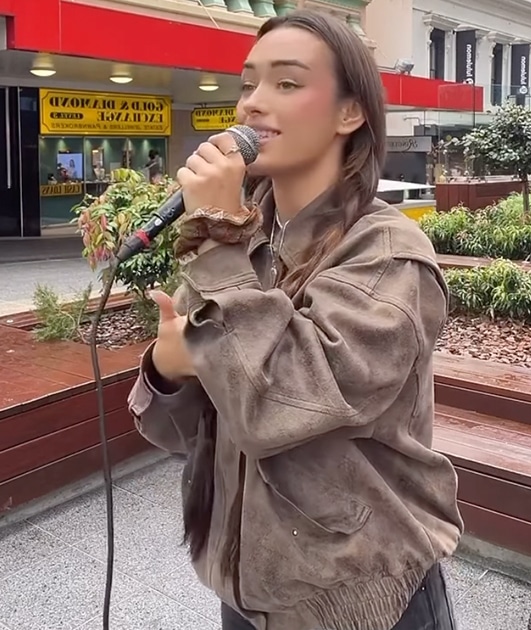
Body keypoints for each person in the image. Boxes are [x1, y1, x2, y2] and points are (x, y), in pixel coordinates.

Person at [126, 11, 460, 630]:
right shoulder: (244, 239)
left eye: (286, 83)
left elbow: (276, 408)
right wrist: (169, 372)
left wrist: (217, 244)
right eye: (248, 83)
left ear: (349, 113)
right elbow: (196, 433)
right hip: (250, 585)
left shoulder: (387, 256)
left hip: (358, 595)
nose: (252, 104)